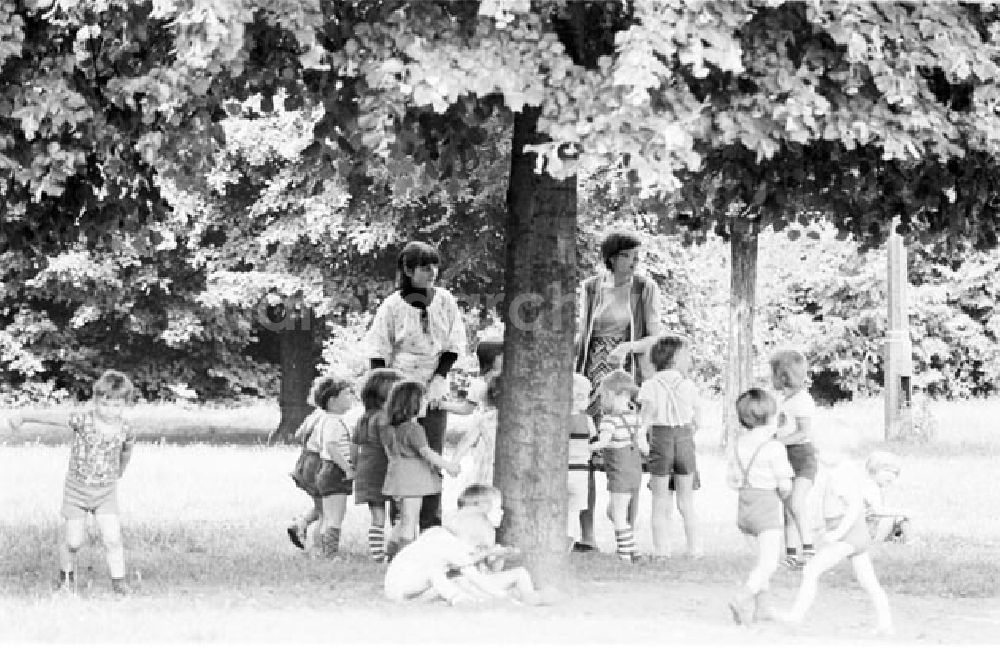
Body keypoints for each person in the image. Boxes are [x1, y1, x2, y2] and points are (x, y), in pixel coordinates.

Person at [366, 241, 468, 532]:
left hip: (433, 385)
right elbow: (378, 350)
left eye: (434, 266)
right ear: (408, 270)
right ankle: (402, 522)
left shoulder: (445, 300)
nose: (432, 272)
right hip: (400, 388)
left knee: (431, 451)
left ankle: (430, 523)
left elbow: (453, 343)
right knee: (402, 453)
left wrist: (438, 379)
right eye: (424, 267)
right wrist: (385, 393)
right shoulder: (393, 306)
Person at [7, 370, 137, 595]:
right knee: (74, 541)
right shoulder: (83, 419)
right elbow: (52, 419)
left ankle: (119, 584)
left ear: (125, 404)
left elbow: (125, 453)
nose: (110, 411)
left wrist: (119, 473)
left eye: (117, 405)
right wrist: (25, 416)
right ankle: (66, 578)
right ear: (96, 401)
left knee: (112, 538)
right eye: (105, 405)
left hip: (105, 493)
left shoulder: (125, 428)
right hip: (77, 491)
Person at [574, 228, 662, 551]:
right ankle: (585, 535)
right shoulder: (591, 287)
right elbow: (583, 332)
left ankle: (626, 533)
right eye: (627, 255)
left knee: (625, 449)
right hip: (591, 372)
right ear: (612, 257)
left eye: (637, 255)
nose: (634, 261)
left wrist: (628, 347)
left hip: (627, 373)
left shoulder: (645, 287)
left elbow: (656, 336)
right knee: (585, 448)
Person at [777, 429, 894, 635]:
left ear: (839, 451)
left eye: (823, 452)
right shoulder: (842, 470)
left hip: (848, 533)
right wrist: (825, 527)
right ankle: (885, 623)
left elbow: (854, 506)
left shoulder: (842, 474)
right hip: (853, 533)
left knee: (811, 570)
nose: (819, 456)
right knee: (869, 581)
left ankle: (795, 617)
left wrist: (837, 533)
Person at [384, 484, 542, 606]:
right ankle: (458, 599)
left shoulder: (444, 536)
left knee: (454, 580)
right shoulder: (450, 545)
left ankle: (525, 598)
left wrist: (496, 556)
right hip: (403, 585)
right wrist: (503, 597)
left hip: (405, 586)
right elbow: (476, 577)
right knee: (440, 574)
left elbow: (477, 572)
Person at [726, 388, 793, 626]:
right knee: (769, 562)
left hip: (744, 509)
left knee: (760, 561)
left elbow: (732, 480)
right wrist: (786, 493)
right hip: (766, 508)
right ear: (770, 418)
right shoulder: (774, 448)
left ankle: (763, 608)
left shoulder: (738, 445)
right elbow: (784, 485)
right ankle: (742, 597)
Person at [637, 334, 703, 559]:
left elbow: (644, 422)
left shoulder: (650, 386)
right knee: (686, 502)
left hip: (661, 439)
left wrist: (644, 446)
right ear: (675, 359)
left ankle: (662, 550)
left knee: (660, 501)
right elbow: (698, 421)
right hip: (684, 439)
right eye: (687, 355)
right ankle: (695, 548)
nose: (690, 360)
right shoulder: (688, 386)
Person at [383, 380, 460, 555]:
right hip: (412, 481)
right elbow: (427, 453)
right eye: (423, 399)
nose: (427, 402)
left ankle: (391, 553)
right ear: (412, 403)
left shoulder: (391, 428)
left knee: (403, 519)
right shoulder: (414, 429)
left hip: (398, 478)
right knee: (410, 520)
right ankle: (405, 557)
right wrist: (449, 466)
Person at [591, 369, 648, 563]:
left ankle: (626, 555)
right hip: (635, 472)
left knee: (617, 514)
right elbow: (643, 447)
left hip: (619, 472)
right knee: (617, 511)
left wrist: (588, 447)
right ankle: (632, 548)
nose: (603, 400)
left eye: (605, 396)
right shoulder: (636, 419)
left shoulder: (609, 421)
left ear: (618, 395)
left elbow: (603, 442)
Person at [770, 349, 817, 569]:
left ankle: (809, 548)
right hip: (785, 458)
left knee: (797, 503)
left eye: (773, 374)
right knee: (788, 509)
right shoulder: (784, 400)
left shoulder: (802, 400)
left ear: (783, 377)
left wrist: (779, 442)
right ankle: (791, 554)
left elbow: (803, 432)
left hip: (802, 457)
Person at [352, 367, 405, 562]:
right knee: (402, 512)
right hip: (384, 472)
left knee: (377, 516)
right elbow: (390, 448)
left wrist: (354, 467)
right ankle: (394, 549)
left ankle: (378, 555)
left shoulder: (364, 418)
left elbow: (354, 445)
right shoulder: (384, 419)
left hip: (366, 472)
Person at [308, 375, 357, 559]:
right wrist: (347, 468)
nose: (350, 397)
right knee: (335, 517)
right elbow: (331, 446)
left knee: (327, 516)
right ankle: (331, 554)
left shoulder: (326, 419)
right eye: (346, 394)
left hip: (326, 469)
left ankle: (319, 549)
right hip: (335, 471)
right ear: (333, 401)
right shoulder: (334, 422)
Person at [443, 374, 501, 513]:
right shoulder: (487, 419)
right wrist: (454, 462)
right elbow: (467, 440)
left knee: (486, 499)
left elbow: (466, 441)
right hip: (489, 467)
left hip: (488, 467)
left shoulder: (486, 418)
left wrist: (454, 462)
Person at [286, 397, 328, 551]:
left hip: (305, 462)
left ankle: (300, 524)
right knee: (327, 512)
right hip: (320, 463)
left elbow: (298, 435)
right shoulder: (331, 419)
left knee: (321, 505)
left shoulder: (315, 414)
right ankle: (319, 548)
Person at [567, 373, 598, 551]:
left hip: (563, 470)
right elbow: (593, 443)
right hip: (580, 471)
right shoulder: (587, 420)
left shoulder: (560, 419)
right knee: (574, 510)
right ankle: (570, 540)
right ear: (580, 398)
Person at [437, 338, 503, 416]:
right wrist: (441, 404)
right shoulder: (480, 383)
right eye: (501, 356)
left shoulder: (508, 376)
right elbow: (466, 409)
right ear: (490, 359)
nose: (506, 359)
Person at [863, 451, 910, 544]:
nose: (891, 475)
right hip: (864, 528)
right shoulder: (870, 487)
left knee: (899, 518)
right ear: (873, 471)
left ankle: (901, 540)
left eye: (894, 472)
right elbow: (877, 511)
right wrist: (902, 512)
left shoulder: (876, 487)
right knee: (893, 518)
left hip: (871, 526)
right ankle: (878, 542)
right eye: (887, 470)